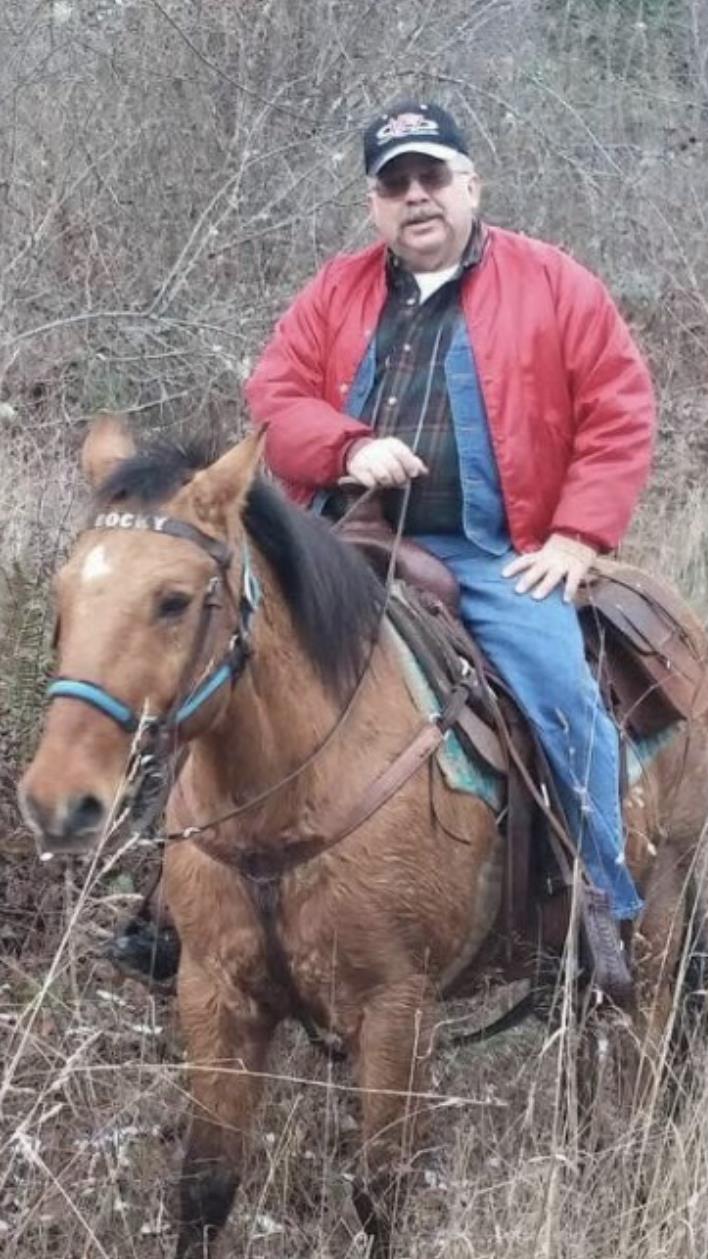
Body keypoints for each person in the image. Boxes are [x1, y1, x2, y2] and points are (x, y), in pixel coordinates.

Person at [245, 99, 656, 926]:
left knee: (560, 691)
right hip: (337, 538)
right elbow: (274, 395)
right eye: (394, 182)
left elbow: (620, 407)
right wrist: (346, 446)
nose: (416, 195)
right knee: (206, 655)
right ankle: (169, 903)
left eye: (432, 175)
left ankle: (602, 904)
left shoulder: (554, 282)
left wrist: (578, 534)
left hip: (490, 551)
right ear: (375, 202)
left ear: (471, 182)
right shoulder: (336, 289)